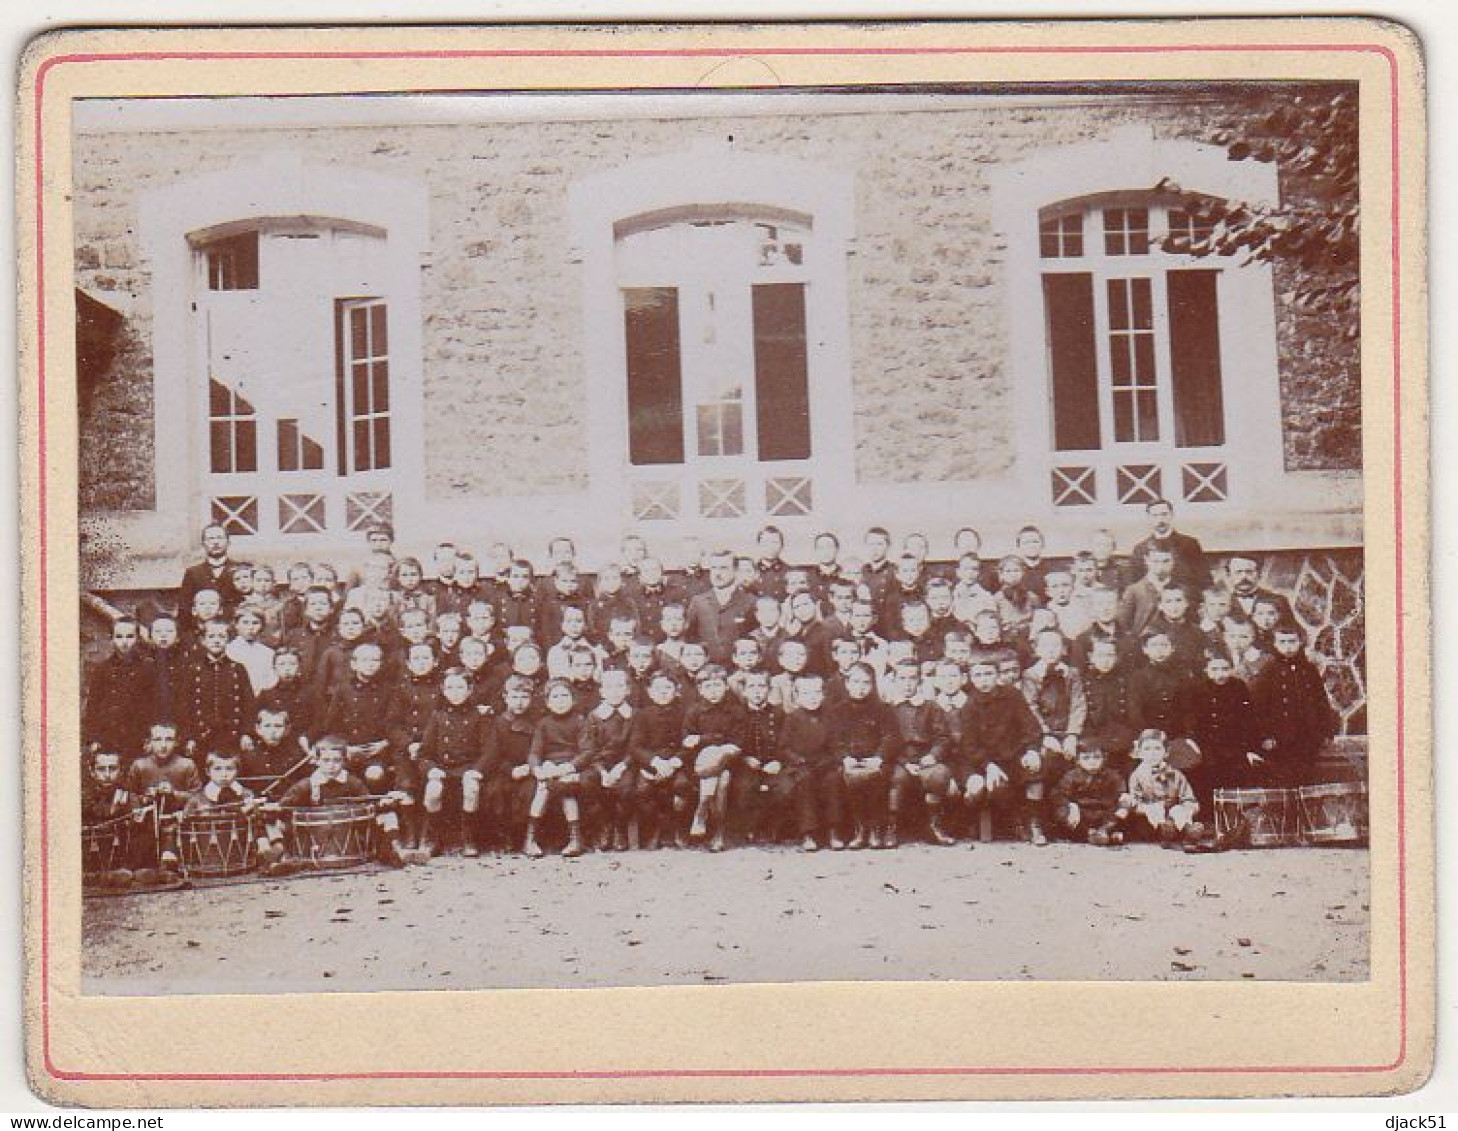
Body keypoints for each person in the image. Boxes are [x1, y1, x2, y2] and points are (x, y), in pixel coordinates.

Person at [277, 736, 408, 867]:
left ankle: (394, 850)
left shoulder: (353, 782)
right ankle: (283, 858)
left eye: (336, 761)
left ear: (345, 761)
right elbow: (283, 805)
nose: (331, 766)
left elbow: (368, 804)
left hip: (352, 839)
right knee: (277, 822)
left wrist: (383, 803)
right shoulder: (307, 785)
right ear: (316, 761)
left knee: (388, 816)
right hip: (314, 843)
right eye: (326, 761)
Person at [959, 655, 1045, 845]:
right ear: (971, 679)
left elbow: (1031, 727)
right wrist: (987, 765)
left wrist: (1031, 750)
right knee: (997, 787)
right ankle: (1015, 821)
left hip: (1013, 755)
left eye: (988, 674)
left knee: (1036, 770)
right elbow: (969, 746)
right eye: (978, 675)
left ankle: (1034, 822)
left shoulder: (1012, 695)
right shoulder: (969, 706)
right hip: (984, 762)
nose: (984, 680)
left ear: (998, 675)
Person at [417, 668, 495, 857]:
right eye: (450, 687)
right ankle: (432, 837)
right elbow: (424, 753)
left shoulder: (479, 716)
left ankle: (468, 837)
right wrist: (431, 769)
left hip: (468, 768)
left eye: (460, 687)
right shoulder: (438, 717)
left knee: (471, 788)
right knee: (433, 789)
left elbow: (490, 750)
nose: (455, 692)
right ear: (443, 690)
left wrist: (477, 770)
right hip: (443, 768)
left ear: (470, 690)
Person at [1249, 624, 1339, 787]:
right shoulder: (1268, 671)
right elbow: (1258, 708)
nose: (1288, 647)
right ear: (1275, 645)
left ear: (1300, 643)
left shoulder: (1309, 670)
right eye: (1282, 642)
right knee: (1284, 781)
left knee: (1305, 779)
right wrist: (1265, 736)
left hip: (1306, 738)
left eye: (1292, 641)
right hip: (1279, 740)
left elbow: (1321, 701)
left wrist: (1326, 731)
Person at [1177, 650, 1261, 812]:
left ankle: (1235, 815)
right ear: (1206, 670)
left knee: (1237, 774)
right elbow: (1191, 719)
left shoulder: (1239, 686)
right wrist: (1194, 741)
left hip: (1234, 742)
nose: (1220, 674)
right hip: (1207, 743)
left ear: (1231, 669)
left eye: (1224, 669)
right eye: (1214, 669)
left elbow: (1248, 719)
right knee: (1208, 774)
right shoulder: (1198, 689)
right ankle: (1211, 815)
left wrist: (1249, 747)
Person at [181, 751, 288, 875]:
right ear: (207, 772)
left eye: (229, 769)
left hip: (245, 847)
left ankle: (268, 855)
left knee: (263, 818)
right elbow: (185, 822)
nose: (224, 774)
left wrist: (259, 810)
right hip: (209, 852)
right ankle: (269, 858)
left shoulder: (246, 794)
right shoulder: (198, 798)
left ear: (237, 771)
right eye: (217, 769)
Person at [885, 659, 956, 846]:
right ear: (894, 680)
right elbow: (887, 740)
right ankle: (891, 827)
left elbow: (943, 737)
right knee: (897, 778)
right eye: (902, 678)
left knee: (938, 775)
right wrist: (903, 761)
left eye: (912, 678)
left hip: (926, 759)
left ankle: (933, 826)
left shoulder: (931, 707)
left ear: (920, 681)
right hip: (899, 760)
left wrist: (933, 755)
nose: (907, 684)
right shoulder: (889, 708)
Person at [831, 662, 901, 850]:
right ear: (847, 683)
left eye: (866, 683)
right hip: (851, 761)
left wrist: (878, 758)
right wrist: (845, 758)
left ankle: (876, 829)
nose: (860, 688)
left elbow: (890, 737)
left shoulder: (883, 709)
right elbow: (835, 740)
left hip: (876, 761)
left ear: (872, 685)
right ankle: (860, 828)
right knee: (849, 779)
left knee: (878, 779)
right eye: (856, 682)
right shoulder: (838, 711)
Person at [681, 663, 747, 850]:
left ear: (726, 687)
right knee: (722, 779)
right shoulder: (694, 711)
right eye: (708, 687)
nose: (713, 691)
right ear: (700, 690)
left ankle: (702, 811)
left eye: (717, 685)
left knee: (718, 758)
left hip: (730, 759)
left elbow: (738, 742)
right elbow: (686, 741)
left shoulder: (735, 711)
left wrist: (705, 740)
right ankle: (718, 832)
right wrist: (713, 740)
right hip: (699, 763)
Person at [778, 673, 843, 852]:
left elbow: (836, 746)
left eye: (817, 692)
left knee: (833, 780)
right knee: (805, 781)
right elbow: (783, 747)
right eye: (806, 693)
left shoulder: (829, 717)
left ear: (823, 695)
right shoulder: (792, 718)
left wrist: (829, 761)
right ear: (797, 697)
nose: (813, 697)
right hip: (800, 765)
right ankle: (808, 833)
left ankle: (833, 831)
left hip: (824, 764)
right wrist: (798, 760)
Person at [525, 678, 588, 858]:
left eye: (564, 696)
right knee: (543, 787)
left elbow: (586, 751)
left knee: (566, 788)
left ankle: (575, 839)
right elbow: (535, 752)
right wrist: (537, 768)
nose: (560, 701)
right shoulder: (543, 723)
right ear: (548, 702)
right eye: (555, 697)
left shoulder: (580, 721)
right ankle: (530, 839)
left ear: (573, 699)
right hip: (549, 765)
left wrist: (569, 767)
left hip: (570, 766)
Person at [176, 619, 255, 762]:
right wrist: (188, 737)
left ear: (228, 640)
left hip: (232, 736)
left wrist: (246, 733)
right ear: (203, 641)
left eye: (221, 637)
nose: (216, 641)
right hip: (201, 736)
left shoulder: (238, 669)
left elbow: (248, 705)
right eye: (211, 637)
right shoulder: (193, 669)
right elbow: (184, 706)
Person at [628, 669, 690, 849]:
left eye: (668, 687)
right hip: (651, 765)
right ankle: (655, 829)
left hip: (677, 764)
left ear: (676, 690)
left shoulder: (684, 713)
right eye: (658, 688)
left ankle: (677, 828)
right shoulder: (642, 715)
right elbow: (635, 746)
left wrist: (675, 763)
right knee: (643, 790)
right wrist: (655, 763)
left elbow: (689, 744)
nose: (663, 692)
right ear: (649, 691)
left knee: (682, 786)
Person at [578, 668, 637, 851]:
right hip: (599, 765)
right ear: (602, 692)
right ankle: (604, 826)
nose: (615, 691)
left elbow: (635, 746)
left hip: (625, 763)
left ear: (628, 690)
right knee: (587, 782)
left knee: (626, 787)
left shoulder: (634, 715)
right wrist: (602, 771)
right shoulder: (594, 716)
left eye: (620, 686)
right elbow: (589, 748)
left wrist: (621, 767)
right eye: (609, 687)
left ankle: (620, 827)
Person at [84, 616, 158, 759]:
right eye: (119, 636)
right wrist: (94, 738)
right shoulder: (102, 669)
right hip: (109, 734)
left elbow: (154, 705)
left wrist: (150, 737)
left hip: (137, 735)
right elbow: (93, 705)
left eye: (130, 636)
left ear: (137, 638)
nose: (124, 642)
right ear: (112, 638)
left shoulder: (148, 668)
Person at [1125, 729, 1205, 845]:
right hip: (1150, 818)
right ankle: (1164, 832)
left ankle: (1189, 831)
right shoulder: (1137, 776)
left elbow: (1188, 798)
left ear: (1166, 752)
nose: (1152, 754)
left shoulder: (1176, 774)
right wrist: (1150, 808)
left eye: (1157, 749)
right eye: (1147, 749)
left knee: (1178, 810)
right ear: (1139, 752)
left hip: (1173, 815)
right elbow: (1135, 802)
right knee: (1154, 810)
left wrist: (1186, 809)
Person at [685, 550, 756, 665]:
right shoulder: (699, 601)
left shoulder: (750, 601)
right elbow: (689, 636)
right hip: (708, 671)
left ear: (736, 571)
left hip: (739, 669)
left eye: (723, 568)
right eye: (714, 568)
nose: (717, 573)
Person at [1050, 743, 1129, 845]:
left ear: (1104, 758)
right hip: (1082, 813)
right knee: (1063, 813)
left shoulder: (1112, 775)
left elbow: (1122, 793)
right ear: (1078, 761)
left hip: (1104, 813)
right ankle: (1090, 834)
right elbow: (1059, 794)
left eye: (1096, 757)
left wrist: (1123, 806)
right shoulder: (1072, 776)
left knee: (1122, 812)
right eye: (1086, 758)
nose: (1092, 762)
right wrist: (1071, 806)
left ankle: (1106, 832)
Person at [1130, 499, 1212, 592]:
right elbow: (1134, 583)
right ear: (1149, 518)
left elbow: (1205, 580)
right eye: (1155, 515)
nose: (1160, 520)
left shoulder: (1189, 544)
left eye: (1164, 514)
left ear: (1172, 515)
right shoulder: (1140, 549)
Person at [178, 524, 241, 635]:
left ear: (228, 542)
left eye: (219, 538)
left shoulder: (240, 571)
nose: (215, 542)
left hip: (234, 632)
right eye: (211, 538)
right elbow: (185, 608)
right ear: (203, 543)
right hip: (202, 632)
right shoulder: (193, 573)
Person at [1118, 546, 1178, 638]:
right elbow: (1123, 625)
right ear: (1147, 560)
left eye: (1166, 561)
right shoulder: (1134, 590)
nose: (1160, 566)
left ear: (1173, 561)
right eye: (1155, 561)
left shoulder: (1181, 589)